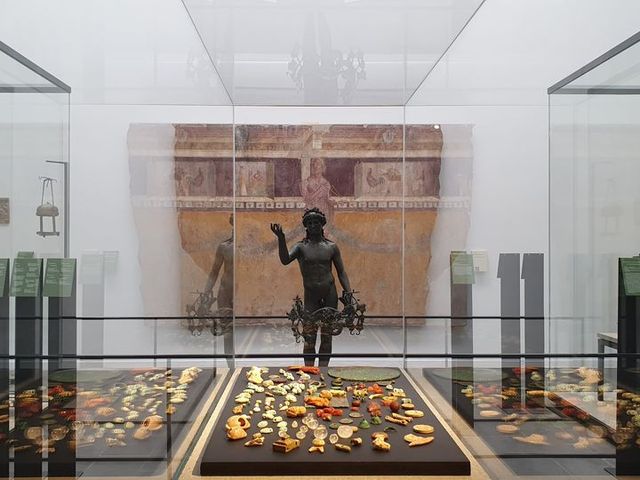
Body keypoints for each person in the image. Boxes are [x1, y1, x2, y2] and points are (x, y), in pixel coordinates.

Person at [270, 208, 352, 366]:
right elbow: (285, 260)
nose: (313, 225)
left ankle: (323, 371)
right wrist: (281, 239)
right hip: (311, 296)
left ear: (322, 224)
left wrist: (348, 293)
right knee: (309, 337)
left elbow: (341, 272)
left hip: (329, 293)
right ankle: (309, 370)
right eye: (310, 223)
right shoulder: (301, 247)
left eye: (316, 222)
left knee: (327, 336)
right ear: (306, 226)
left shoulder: (331, 247)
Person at [204, 214, 234, 365]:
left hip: (242, 294)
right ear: (232, 223)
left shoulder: (248, 246)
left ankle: (240, 367)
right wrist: (206, 292)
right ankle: (230, 367)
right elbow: (214, 271)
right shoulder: (224, 247)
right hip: (225, 292)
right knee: (227, 332)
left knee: (244, 330)